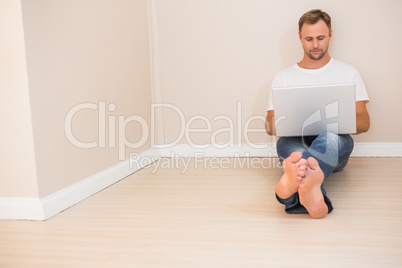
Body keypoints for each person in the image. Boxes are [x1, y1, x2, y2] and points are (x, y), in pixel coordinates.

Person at [265, 9, 370, 219]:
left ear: (330, 35)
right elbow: (270, 126)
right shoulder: (283, 78)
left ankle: (288, 192)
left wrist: (330, 122)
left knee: (327, 139)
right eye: (309, 39)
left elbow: (364, 122)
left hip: (335, 142)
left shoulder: (348, 73)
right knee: (292, 150)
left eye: (320, 38)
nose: (315, 45)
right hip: (295, 140)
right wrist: (285, 122)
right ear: (300, 38)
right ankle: (310, 193)